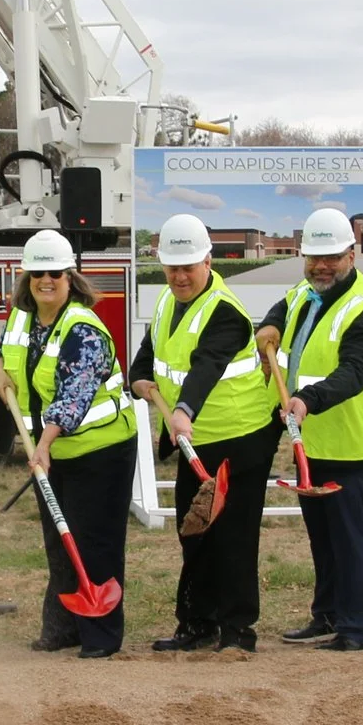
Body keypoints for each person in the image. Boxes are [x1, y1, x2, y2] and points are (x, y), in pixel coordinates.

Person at [130, 212, 281, 652]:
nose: (179, 276)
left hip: (240, 438)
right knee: (193, 532)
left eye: (188, 267)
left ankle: (238, 632)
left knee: (233, 537)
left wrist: (182, 408)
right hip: (195, 440)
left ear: (208, 262)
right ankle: (197, 623)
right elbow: (150, 351)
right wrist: (138, 379)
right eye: (172, 267)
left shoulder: (227, 313)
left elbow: (207, 366)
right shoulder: (165, 302)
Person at [257, 209, 363, 652]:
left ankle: (356, 629)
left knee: (351, 540)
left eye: (331, 258)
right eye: (313, 257)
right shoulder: (310, 290)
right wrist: (270, 324)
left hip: (352, 443)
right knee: (323, 538)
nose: (321, 266)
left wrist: (309, 399)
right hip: (313, 440)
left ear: (351, 256)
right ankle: (327, 614)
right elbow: (286, 303)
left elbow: (354, 372)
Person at [0, 229, 137, 658]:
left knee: (95, 542)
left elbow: (75, 395)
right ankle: (62, 628)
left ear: (70, 278)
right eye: (37, 274)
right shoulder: (23, 317)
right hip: (54, 452)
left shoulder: (84, 330)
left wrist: (44, 444)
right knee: (59, 540)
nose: (45, 281)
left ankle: (101, 636)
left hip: (101, 451)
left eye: (54, 273)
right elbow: (7, 349)